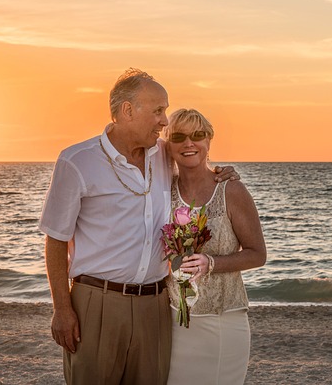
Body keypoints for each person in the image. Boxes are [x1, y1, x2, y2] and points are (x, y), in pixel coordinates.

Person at [38, 69, 239, 385]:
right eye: (158, 110)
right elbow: (55, 240)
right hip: (97, 304)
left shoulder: (162, 155)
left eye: (165, 109)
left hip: (155, 306)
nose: (164, 120)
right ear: (127, 111)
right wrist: (62, 310)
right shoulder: (77, 160)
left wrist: (221, 173)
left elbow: (193, 161)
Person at [163, 108, 267, 385]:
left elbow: (258, 254)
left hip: (223, 319)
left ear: (209, 140)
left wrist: (212, 264)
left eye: (198, 135)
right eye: (179, 136)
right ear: (167, 144)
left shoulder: (230, 190)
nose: (189, 143)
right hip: (174, 322)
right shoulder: (162, 192)